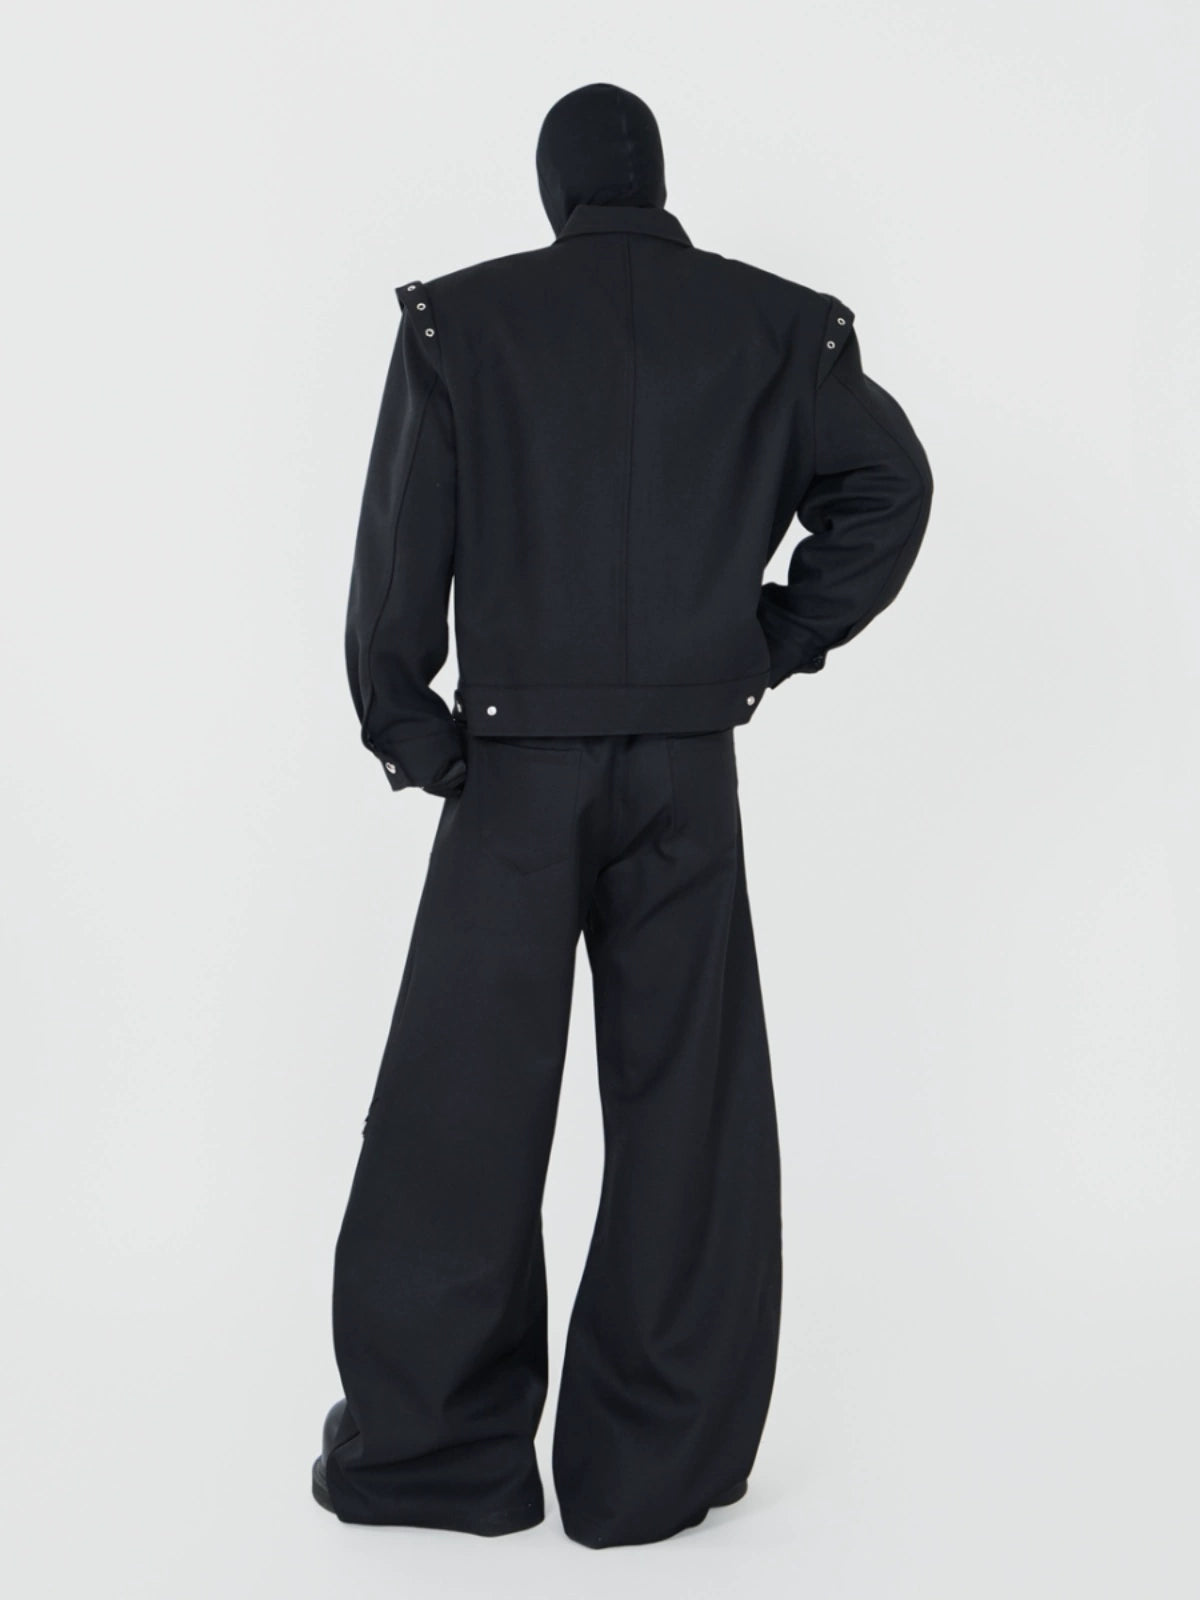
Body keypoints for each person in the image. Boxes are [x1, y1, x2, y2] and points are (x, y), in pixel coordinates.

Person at [313, 81, 933, 1549]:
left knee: (460, 1110)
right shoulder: (780, 328)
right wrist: (763, 643)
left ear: (556, 188)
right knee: (688, 1113)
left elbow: (400, 556)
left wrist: (413, 728)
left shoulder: (463, 324)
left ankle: (438, 1456)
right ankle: (650, 1467)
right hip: (684, 771)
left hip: (512, 770)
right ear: (656, 182)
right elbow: (892, 487)